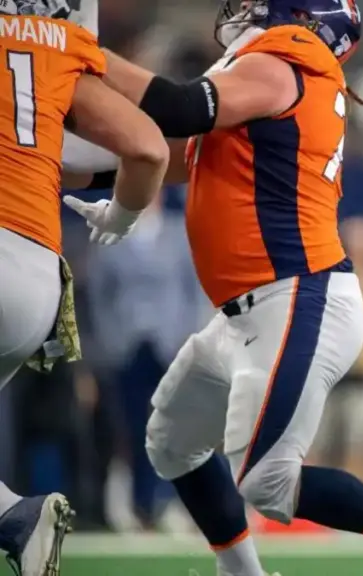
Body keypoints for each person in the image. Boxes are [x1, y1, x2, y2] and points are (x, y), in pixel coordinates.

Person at [62, 2, 363, 576]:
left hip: (296, 296)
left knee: (267, 481)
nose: (247, 7)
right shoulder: (267, 84)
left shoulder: (289, 62)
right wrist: (49, 162)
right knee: (172, 443)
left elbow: (177, 108)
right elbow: (171, 158)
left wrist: (80, 52)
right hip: (249, 312)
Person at [0, 0, 168, 573]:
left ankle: (13, 519)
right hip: (39, 275)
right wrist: (119, 215)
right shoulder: (53, 48)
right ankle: (16, 522)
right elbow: (148, 148)